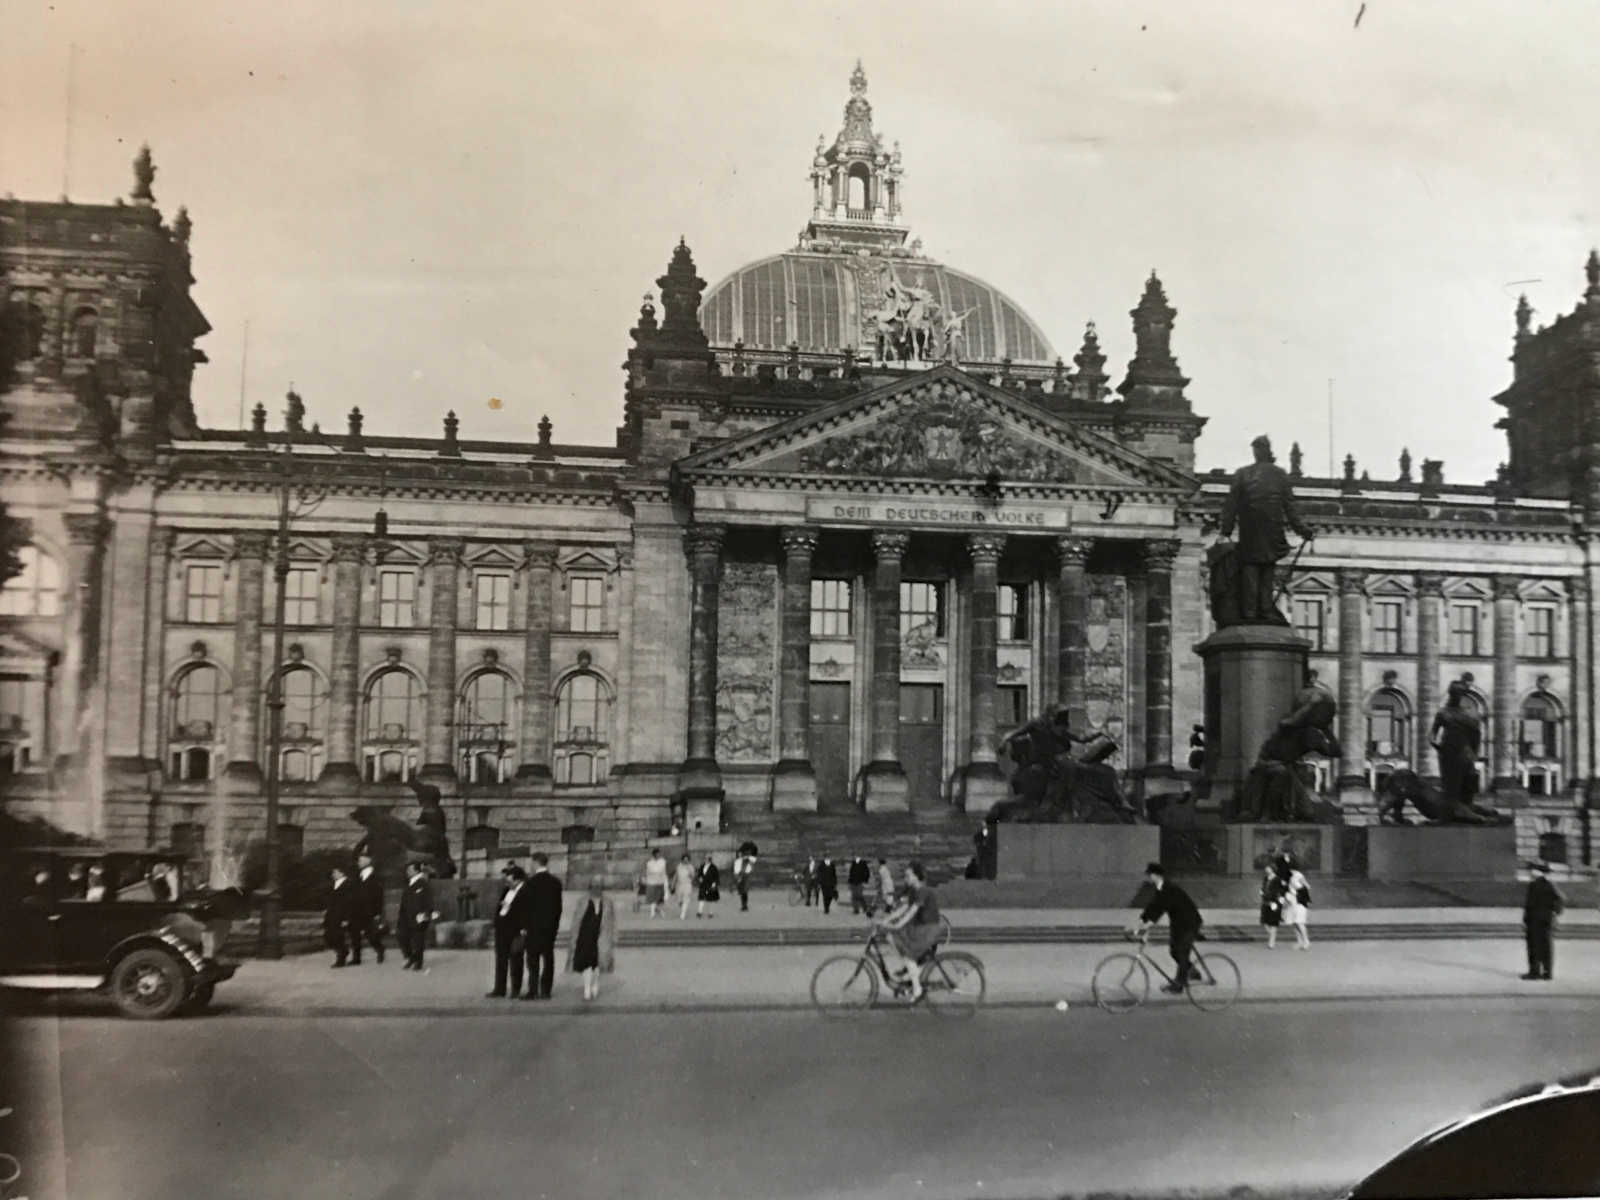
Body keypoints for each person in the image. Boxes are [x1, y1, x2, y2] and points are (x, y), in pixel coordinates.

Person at [1217, 434, 1314, 624]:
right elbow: (1290, 508)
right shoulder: (1278, 474)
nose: (1256, 452)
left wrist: (1225, 531)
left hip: (1253, 529)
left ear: (1260, 451)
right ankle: (1263, 609)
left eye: (1257, 449)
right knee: (1264, 569)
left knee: (1254, 569)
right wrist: (1302, 530)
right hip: (1269, 529)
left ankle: (1253, 611)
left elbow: (1231, 506)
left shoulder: (1243, 473)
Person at [875, 861, 942, 1002]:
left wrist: (898, 924)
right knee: (891, 938)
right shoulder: (913, 891)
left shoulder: (923, 891)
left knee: (907, 952)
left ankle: (917, 988)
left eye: (908, 876)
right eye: (905, 876)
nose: (906, 879)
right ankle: (910, 971)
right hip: (920, 928)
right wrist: (886, 920)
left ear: (917, 876)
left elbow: (912, 911)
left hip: (928, 930)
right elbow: (903, 909)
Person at [1131, 862, 1204, 993]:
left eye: (1150, 875)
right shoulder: (1161, 888)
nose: (1149, 877)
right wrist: (1141, 920)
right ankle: (1193, 972)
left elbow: (1162, 908)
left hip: (1190, 923)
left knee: (1182, 952)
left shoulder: (1169, 888)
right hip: (1178, 924)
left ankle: (1178, 986)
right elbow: (1154, 906)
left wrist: (1148, 925)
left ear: (1157, 875)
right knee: (1174, 952)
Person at [1431, 680, 1483, 810]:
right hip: (1448, 752)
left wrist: (1473, 754)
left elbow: (1476, 735)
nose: (1457, 696)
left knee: (1467, 784)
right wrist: (1437, 745)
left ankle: (1465, 807)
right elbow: (1433, 733)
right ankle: (1452, 808)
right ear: (1451, 693)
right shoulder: (1443, 713)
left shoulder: (1467, 715)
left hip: (1464, 752)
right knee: (1450, 785)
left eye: (1460, 693)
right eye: (1455, 693)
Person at [487, 863, 533, 998]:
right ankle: (499, 989)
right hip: (502, 929)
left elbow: (526, 912)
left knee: (516, 960)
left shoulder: (526, 891)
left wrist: (523, 930)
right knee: (500, 960)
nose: (507, 882)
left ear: (518, 880)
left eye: (510, 880)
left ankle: (515, 989)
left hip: (515, 930)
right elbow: (500, 907)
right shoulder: (506, 890)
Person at [567, 882, 617, 1001]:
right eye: (594, 888)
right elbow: (576, 919)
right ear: (589, 889)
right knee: (586, 963)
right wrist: (573, 937)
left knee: (597, 964)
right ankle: (587, 988)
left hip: (602, 936)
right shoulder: (582, 901)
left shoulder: (608, 902)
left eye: (599, 888)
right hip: (584, 937)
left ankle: (595, 984)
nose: (596, 890)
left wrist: (614, 936)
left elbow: (613, 921)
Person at [524, 852, 564, 1000]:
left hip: (533, 928)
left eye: (531, 863)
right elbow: (558, 908)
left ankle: (533, 990)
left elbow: (526, 909)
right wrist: (555, 926)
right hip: (549, 928)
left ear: (535, 863)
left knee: (533, 960)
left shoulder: (530, 883)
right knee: (548, 959)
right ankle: (546, 990)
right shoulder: (555, 882)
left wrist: (525, 926)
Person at [1521, 861, 1564, 981]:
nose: (1529, 873)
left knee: (1534, 946)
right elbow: (1560, 899)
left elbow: (1529, 905)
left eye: (1531, 870)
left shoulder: (1533, 885)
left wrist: (1525, 920)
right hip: (1546, 920)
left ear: (1536, 872)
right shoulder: (1550, 885)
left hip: (1534, 920)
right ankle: (1547, 973)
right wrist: (1554, 912)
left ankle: (1534, 972)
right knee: (1546, 947)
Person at [396, 861, 436, 971]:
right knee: (401, 936)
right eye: (407, 870)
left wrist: (425, 914)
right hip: (405, 916)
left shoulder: (423, 884)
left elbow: (429, 901)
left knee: (418, 941)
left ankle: (418, 962)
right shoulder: (408, 884)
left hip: (419, 916)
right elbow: (403, 902)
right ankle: (410, 957)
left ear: (417, 871)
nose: (407, 872)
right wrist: (401, 916)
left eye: (410, 870)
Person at [352, 851, 387, 965]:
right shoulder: (358, 876)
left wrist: (377, 912)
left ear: (368, 861)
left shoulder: (376, 877)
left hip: (369, 910)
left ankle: (380, 949)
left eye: (361, 860)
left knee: (370, 934)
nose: (358, 863)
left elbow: (379, 896)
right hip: (357, 909)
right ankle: (356, 958)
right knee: (355, 934)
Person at [324, 866, 358, 969]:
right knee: (329, 936)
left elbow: (350, 903)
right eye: (333, 873)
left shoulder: (349, 885)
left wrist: (347, 918)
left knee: (338, 937)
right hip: (332, 915)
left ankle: (341, 959)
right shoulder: (334, 884)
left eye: (335, 872)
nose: (333, 874)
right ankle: (343, 951)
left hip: (342, 915)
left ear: (342, 873)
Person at [1280, 856, 1311, 950]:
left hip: (1299, 902)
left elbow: (1307, 887)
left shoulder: (1298, 875)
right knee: (1294, 922)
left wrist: (1297, 890)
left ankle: (1306, 941)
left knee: (1300, 922)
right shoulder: (1289, 876)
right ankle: (1299, 941)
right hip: (1292, 902)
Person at [1259, 860, 1287, 949]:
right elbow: (1264, 887)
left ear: (1272, 869)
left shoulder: (1278, 879)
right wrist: (1262, 891)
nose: (1266, 869)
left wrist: (1279, 900)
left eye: (1268, 868)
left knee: (1273, 922)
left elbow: (1283, 890)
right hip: (1266, 901)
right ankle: (1272, 935)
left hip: (1275, 903)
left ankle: (1271, 942)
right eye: (1266, 868)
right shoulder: (1265, 878)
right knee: (1264, 921)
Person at [641, 848, 669, 918]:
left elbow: (664, 871)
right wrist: (644, 879)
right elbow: (646, 871)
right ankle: (652, 912)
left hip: (660, 881)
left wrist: (666, 881)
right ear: (654, 854)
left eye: (659, 854)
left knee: (660, 899)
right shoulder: (649, 862)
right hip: (652, 882)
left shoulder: (663, 861)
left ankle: (660, 910)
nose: (658, 855)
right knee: (653, 898)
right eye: (656, 854)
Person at [673, 853, 697, 920]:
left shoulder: (691, 867)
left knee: (686, 899)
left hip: (687, 885)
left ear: (689, 860)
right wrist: (672, 885)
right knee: (679, 901)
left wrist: (690, 873)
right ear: (682, 859)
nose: (686, 861)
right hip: (679, 885)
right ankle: (682, 906)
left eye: (687, 860)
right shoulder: (679, 866)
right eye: (684, 859)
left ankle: (683, 914)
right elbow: (676, 876)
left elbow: (693, 877)